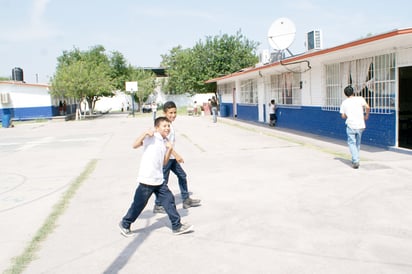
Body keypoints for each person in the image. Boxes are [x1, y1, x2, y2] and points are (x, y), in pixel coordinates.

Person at [119, 116, 194, 236]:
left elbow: (164, 163)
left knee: (169, 201)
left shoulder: (164, 142)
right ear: (157, 127)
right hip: (147, 180)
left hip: (158, 180)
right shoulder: (151, 137)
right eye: (164, 126)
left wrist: (169, 149)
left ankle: (177, 226)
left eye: (168, 126)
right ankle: (125, 223)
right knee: (138, 205)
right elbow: (135, 145)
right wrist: (144, 133)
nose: (167, 128)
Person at [153, 101, 201, 213]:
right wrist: (177, 155)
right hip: (165, 159)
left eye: (175, 112)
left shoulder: (170, 125)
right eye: (170, 113)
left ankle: (186, 199)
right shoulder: (164, 126)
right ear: (164, 113)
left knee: (182, 175)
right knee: (162, 182)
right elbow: (165, 144)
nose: (173, 115)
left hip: (172, 159)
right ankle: (158, 205)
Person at [339, 85, 370, 169]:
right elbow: (367, 107)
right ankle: (356, 158)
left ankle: (355, 160)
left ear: (345, 94)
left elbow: (343, 116)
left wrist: (347, 114)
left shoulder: (344, 103)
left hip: (351, 125)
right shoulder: (360, 99)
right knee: (357, 143)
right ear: (353, 92)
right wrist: (366, 115)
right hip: (360, 125)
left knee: (351, 143)